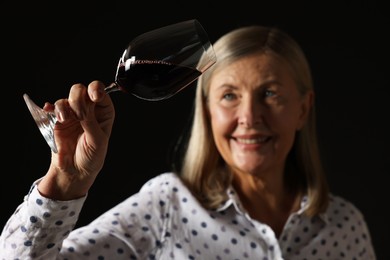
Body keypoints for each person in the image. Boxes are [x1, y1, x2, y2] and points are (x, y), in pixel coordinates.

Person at [0, 25, 376, 260]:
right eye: (229, 95)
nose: (249, 116)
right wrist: (67, 180)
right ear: (207, 110)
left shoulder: (345, 226)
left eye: (271, 93)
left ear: (303, 109)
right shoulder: (167, 207)